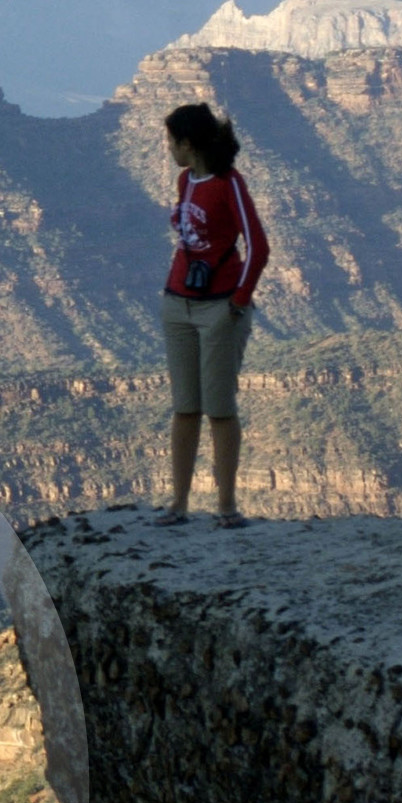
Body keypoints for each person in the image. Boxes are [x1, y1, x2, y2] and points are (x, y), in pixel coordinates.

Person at [156, 101, 269, 526]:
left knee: (219, 407)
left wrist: (239, 302)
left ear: (187, 143)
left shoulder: (229, 184)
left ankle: (226, 506)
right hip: (178, 301)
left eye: (172, 142)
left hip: (220, 306)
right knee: (185, 407)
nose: (169, 150)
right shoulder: (186, 181)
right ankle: (179, 503)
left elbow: (258, 246)